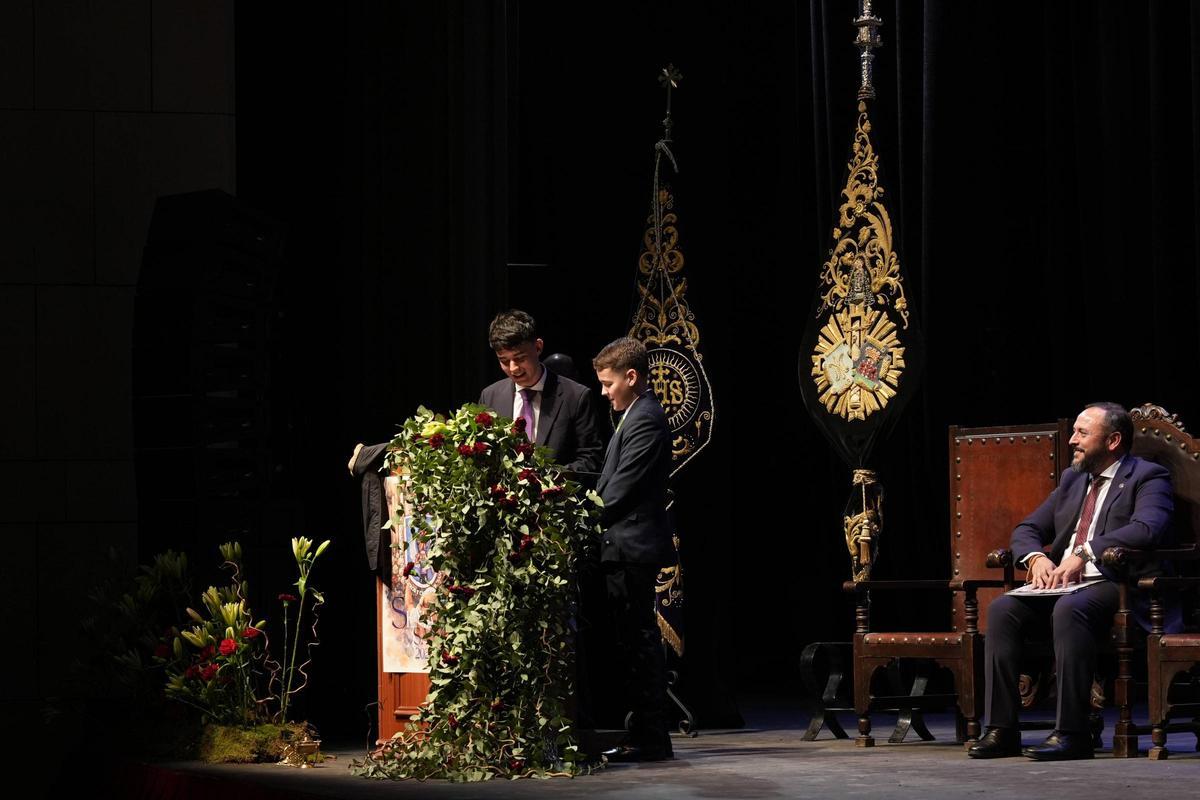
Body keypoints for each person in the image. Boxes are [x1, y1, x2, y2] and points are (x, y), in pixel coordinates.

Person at [967, 402, 1175, 761]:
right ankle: (1001, 730)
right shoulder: (1073, 479)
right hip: (1064, 584)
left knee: (1070, 609)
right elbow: (1028, 529)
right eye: (1074, 431)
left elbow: (1147, 529)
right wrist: (1037, 558)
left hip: (1118, 585)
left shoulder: (1148, 477)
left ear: (1112, 441)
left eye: (1082, 433)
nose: (1072, 441)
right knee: (1003, 610)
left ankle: (1073, 732)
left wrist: (1087, 552)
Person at [592, 337, 675, 763]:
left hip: (633, 548)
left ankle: (652, 739)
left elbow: (620, 489)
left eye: (609, 384)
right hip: (623, 547)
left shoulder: (646, 418)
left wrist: (583, 516)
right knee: (631, 644)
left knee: (640, 644)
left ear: (631, 376)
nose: (605, 392)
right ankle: (643, 734)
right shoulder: (631, 414)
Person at [478, 310, 603, 475]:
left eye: (520, 358)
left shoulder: (577, 397)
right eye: (504, 361)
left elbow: (591, 458)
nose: (513, 368)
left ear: (538, 347)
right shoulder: (490, 396)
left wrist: (548, 480)